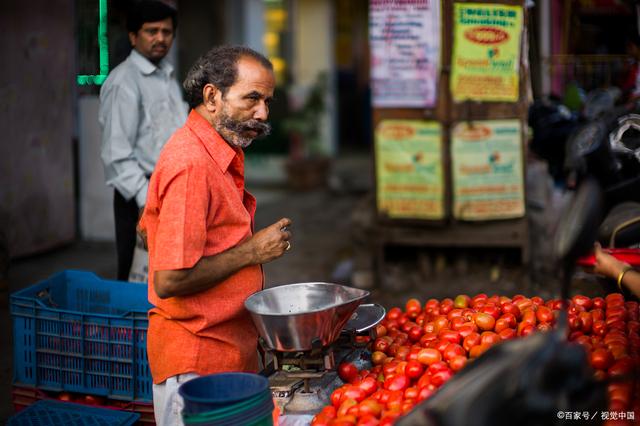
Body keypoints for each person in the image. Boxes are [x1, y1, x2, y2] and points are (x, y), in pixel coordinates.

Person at [138, 46, 292, 426]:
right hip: (197, 365)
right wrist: (251, 252)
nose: (263, 113)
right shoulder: (192, 163)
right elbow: (170, 279)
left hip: (227, 352)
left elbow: (146, 229)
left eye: (267, 101)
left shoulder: (214, 152)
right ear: (212, 96)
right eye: (252, 99)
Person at [99, 0, 187, 281]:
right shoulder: (123, 81)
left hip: (172, 189)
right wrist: (146, 201)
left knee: (171, 276)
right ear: (133, 36)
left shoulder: (168, 76)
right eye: (152, 31)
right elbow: (116, 154)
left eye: (166, 31)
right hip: (140, 196)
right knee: (137, 275)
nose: (160, 38)